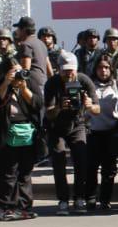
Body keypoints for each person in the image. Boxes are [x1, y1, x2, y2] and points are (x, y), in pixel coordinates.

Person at [0, 47, 44, 220]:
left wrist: (24, 87)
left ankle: (24, 207)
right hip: (5, 134)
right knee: (8, 173)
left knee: (25, 173)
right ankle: (7, 208)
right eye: (14, 72)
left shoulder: (28, 83)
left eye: (20, 71)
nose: (19, 75)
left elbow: (37, 104)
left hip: (26, 133)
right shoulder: (0, 86)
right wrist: (6, 83)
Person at [41, 52, 98, 215]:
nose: (69, 74)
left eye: (71, 70)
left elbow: (97, 109)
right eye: (65, 70)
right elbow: (49, 112)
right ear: (59, 69)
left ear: (76, 69)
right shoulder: (52, 83)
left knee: (81, 160)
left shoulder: (84, 81)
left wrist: (89, 105)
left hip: (77, 124)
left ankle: (79, 197)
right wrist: (59, 107)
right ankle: (63, 199)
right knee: (58, 160)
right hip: (56, 126)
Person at [84, 56, 118, 212]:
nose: (103, 70)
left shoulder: (117, 85)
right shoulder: (90, 86)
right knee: (91, 168)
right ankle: (90, 198)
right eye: (100, 67)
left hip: (111, 133)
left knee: (109, 170)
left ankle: (105, 200)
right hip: (93, 132)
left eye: (107, 67)